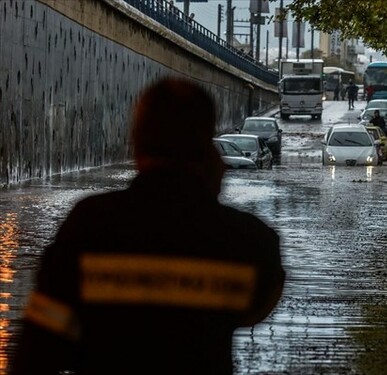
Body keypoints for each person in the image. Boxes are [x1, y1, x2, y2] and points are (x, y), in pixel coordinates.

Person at [9, 77, 286, 375]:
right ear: (208, 149)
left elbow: (38, 349)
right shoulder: (248, 240)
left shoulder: (89, 225)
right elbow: (256, 307)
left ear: (137, 142)